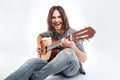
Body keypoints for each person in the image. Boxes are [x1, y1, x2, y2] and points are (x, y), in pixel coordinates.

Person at [5, 5, 87, 80]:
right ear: (50, 20)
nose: (56, 20)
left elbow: (84, 58)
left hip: (71, 69)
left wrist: (72, 47)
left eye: (59, 17)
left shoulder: (74, 33)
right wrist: (40, 46)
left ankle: (36, 77)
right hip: (55, 68)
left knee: (68, 52)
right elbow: (39, 36)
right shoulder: (52, 32)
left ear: (64, 18)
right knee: (32, 62)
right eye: (53, 17)